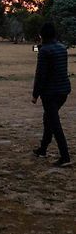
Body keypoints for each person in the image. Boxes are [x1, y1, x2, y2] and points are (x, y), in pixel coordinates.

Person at [32, 22, 71, 167]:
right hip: (63, 91)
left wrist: (35, 94)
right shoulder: (62, 48)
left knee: (54, 123)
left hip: (50, 93)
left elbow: (40, 75)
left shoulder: (44, 51)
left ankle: (65, 156)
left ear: (43, 35)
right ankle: (43, 149)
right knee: (48, 118)